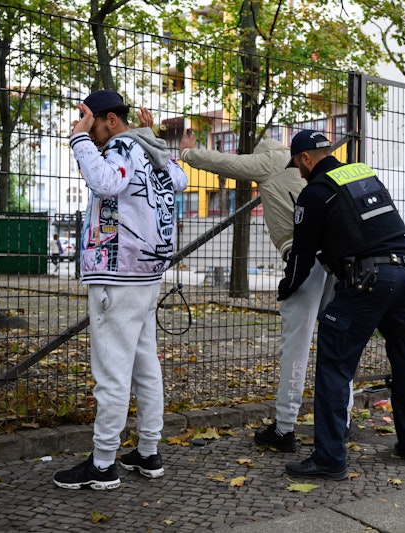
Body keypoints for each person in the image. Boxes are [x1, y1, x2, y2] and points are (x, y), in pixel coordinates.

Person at [178, 130, 353, 451]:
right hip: (339, 260)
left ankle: (284, 429)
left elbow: (226, 163)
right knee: (337, 343)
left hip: (304, 262)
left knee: (296, 348)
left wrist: (188, 154)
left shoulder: (271, 161)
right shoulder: (321, 168)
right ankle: (341, 422)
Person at [52, 90, 188, 489]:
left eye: (90, 122)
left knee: (111, 374)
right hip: (146, 275)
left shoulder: (122, 147)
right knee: (145, 366)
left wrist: (78, 140)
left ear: (111, 120)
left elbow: (106, 182)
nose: (86, 129)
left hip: (117, 274)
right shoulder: (149, 149)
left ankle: (102, 464)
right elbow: (179, 179)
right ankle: (148, 452)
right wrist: (153, 137)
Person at [281, 130, 405, 480]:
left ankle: (330, 458)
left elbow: (301, 255)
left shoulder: (314, 192)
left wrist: (287, 287)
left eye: (298, 166)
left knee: (334, 365)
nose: (299, 173)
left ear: (305, 159)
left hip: (368, 281)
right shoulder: (363, 175)